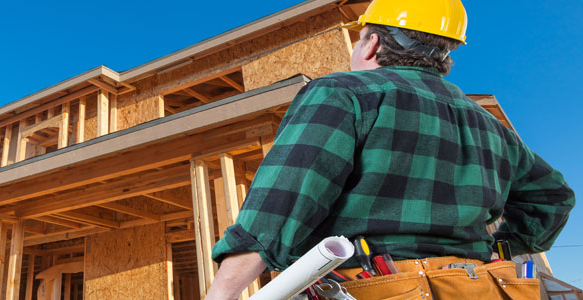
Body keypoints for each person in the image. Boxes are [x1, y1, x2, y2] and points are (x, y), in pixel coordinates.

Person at [205, 0, 575, 299]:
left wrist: (223, 292)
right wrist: (496, 247)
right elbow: (554, 198)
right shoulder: (488, 125)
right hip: (476, 287)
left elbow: (279, 204)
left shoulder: (344, 93)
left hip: (372, 288)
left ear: (373, 43)